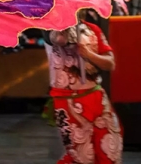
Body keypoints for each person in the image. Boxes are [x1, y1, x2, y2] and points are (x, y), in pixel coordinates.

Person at [44, 9, 123, 164]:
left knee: (110, 149)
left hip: (97, 97)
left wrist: (89, 54)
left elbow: (110, 63)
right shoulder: (51, 28)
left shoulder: (93, 29)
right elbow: (59, 39)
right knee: (82, 156)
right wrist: (67, 22)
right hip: (68, 101)